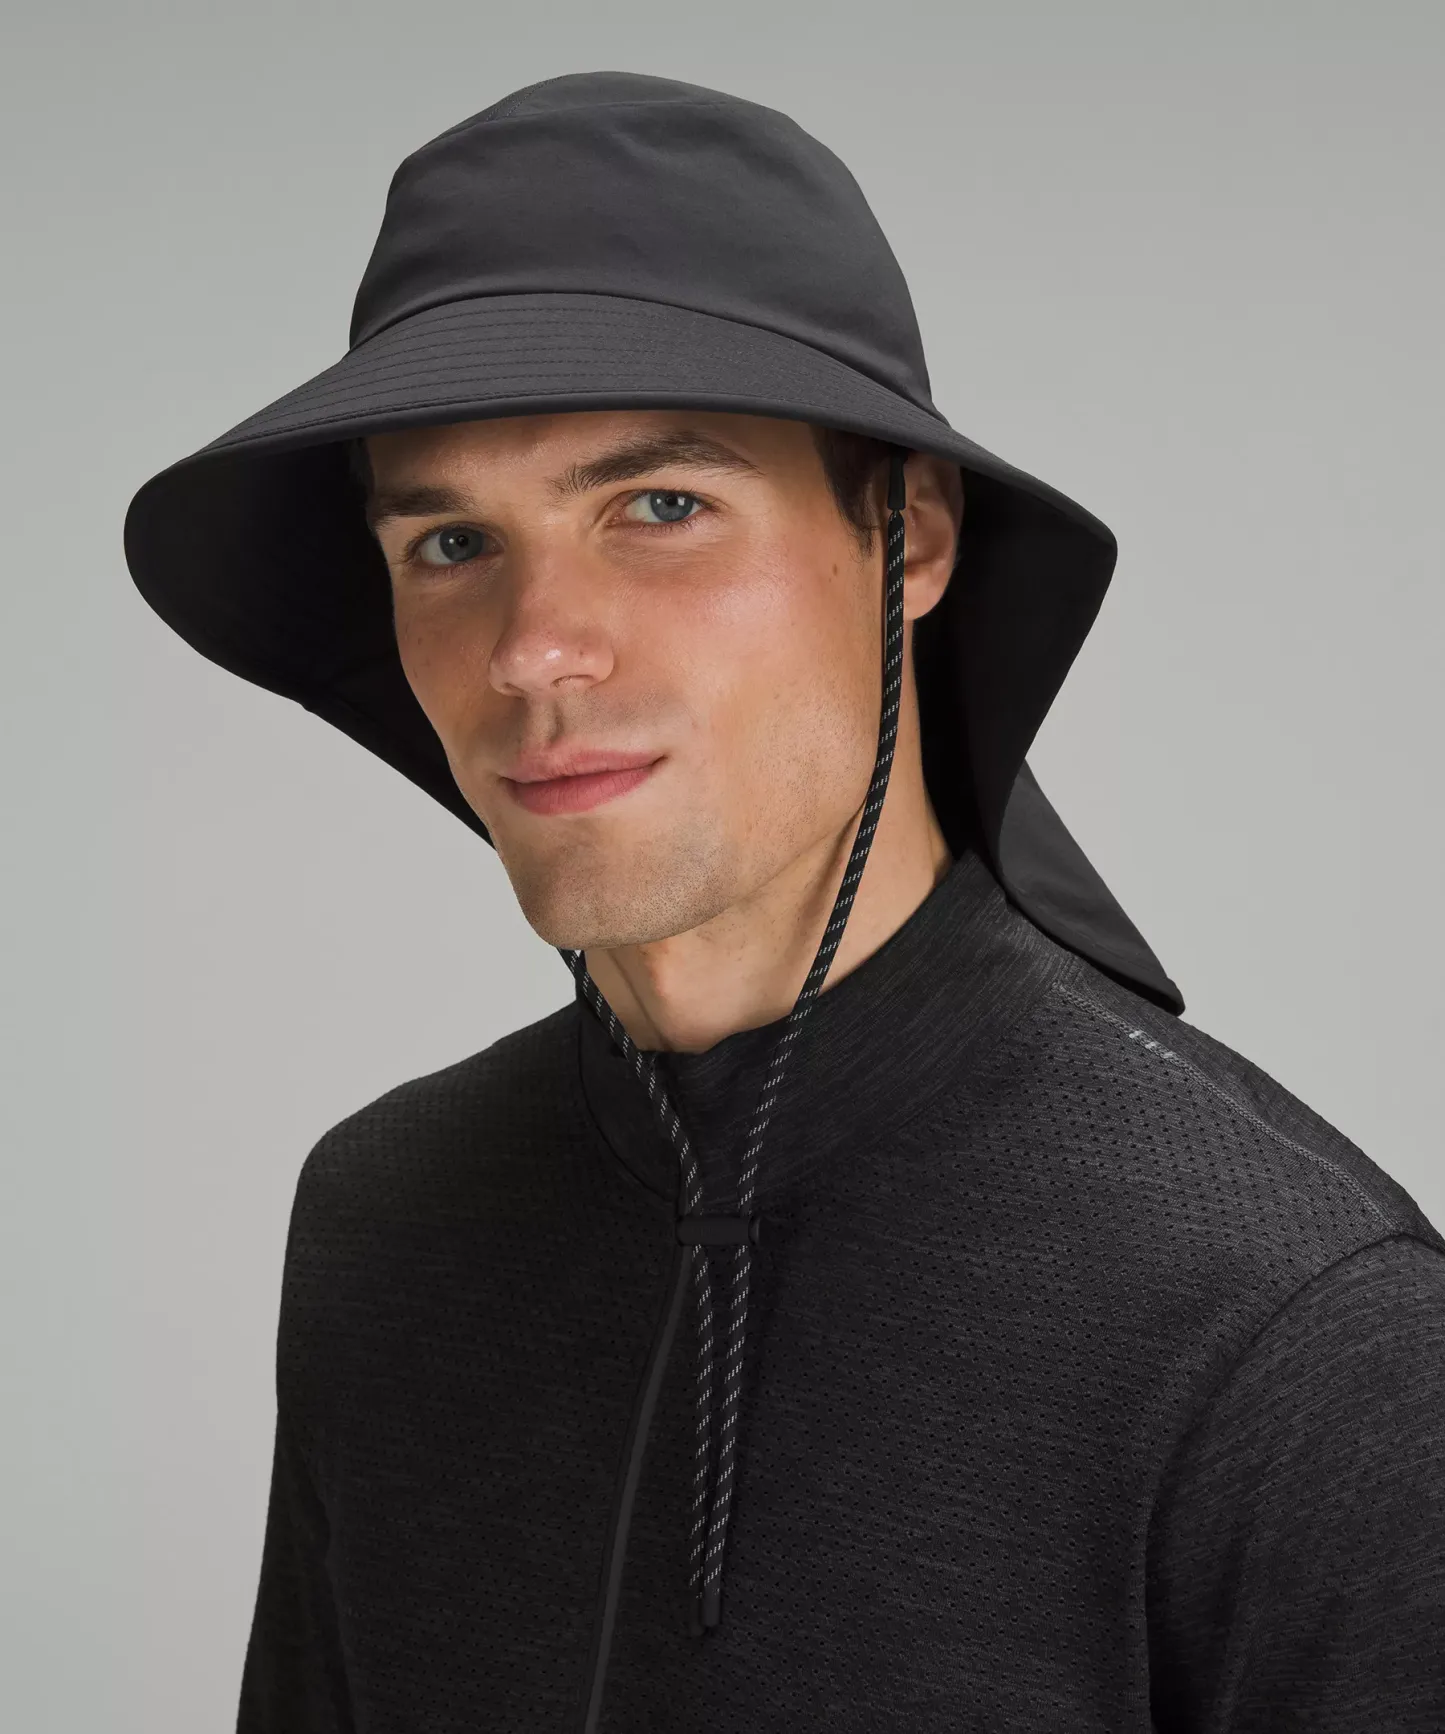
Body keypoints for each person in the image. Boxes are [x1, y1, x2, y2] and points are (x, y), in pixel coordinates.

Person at [123, 69, 1445, 1734]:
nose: (534, 648)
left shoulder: (1295, 1334)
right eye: (451, 542)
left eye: (660, 508)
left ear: (911, 534)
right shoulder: (386, 1225)